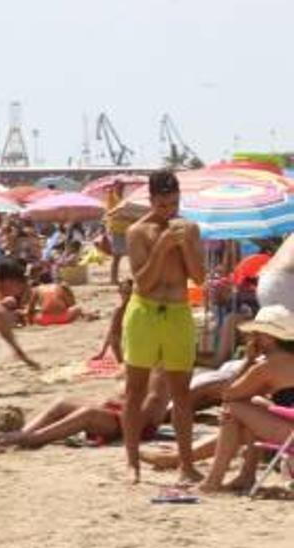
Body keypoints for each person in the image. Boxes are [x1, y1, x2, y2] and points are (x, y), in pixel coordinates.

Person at [121, 170, 206, 485]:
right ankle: (132, 463)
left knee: (181, 392)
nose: (170, 210)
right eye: (163, 204)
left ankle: (186, 464)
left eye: (174, 203)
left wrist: (183, 246)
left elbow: (198, 277)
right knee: (135, 390)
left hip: (177, 311)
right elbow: (143, 282)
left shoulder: (191, 228)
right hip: (145, 310)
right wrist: (163, 246)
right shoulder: (137, 232)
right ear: (151, 200)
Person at [200, 304, 294, 493]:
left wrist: (248, 360)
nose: (252, 339)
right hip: (289, 424)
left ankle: (214, 480)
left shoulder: (268, 366)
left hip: (290, 434)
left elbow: (228, 394)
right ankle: (246, 476)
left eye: (256, 334)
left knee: (234, 407)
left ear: (268, 337)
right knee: (252, 403)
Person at [0, 377, 169, 450]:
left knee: (88, 413)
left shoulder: (161, 367)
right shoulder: (143, 355)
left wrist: (115, 409)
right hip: (117, 411)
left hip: (132, 423)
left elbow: (149, 409)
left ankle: (34, 438)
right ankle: (25, 433)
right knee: (62, 403)